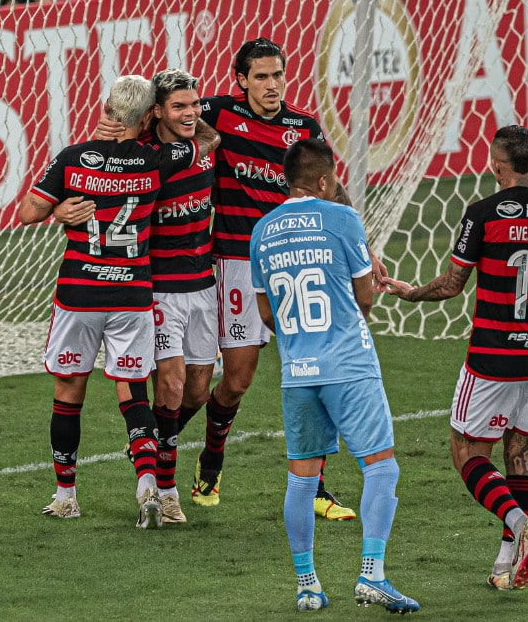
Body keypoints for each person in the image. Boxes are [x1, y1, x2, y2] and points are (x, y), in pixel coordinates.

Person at [94, 38, 364, 520]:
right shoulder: (214, 114)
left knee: (315, 366)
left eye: (278, 74)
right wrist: (118, 128)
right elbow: (163, 115)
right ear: (241, 80)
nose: (272, 84)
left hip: (298, 262)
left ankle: (319, 486)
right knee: (233, 383)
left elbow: (330, 185)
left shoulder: (303, 128)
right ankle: (199, 456)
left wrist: (362, 243)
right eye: (261, 76)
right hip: (234, 262)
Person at [381, 125, 528, 591]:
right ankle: (506, 564)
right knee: (521, 456)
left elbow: (453, 284)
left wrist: (410, 292)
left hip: (493, 359)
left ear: (497, 165)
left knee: (466, 454)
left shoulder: (481, 214)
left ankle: (518, 525)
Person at [17, 74, 220, 528]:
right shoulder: (157, 161)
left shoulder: (72, 158)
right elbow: (208, 140)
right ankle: (148, 483)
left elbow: (28, 211)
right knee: (134, 396)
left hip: (79, 294)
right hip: (131, 293)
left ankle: (66, 494)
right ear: (150, 115)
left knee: (68, 394)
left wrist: (59, 210)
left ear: (108, 111)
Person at [251, 139, 418, 613]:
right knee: (381, 465)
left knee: (302, 480)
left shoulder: (261, 230)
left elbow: (267, 313)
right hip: (348, 363)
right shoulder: (342, 218)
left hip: (297, 370)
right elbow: (365, 299)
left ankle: (307, 585)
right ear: (324, 181)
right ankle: (373, 575)